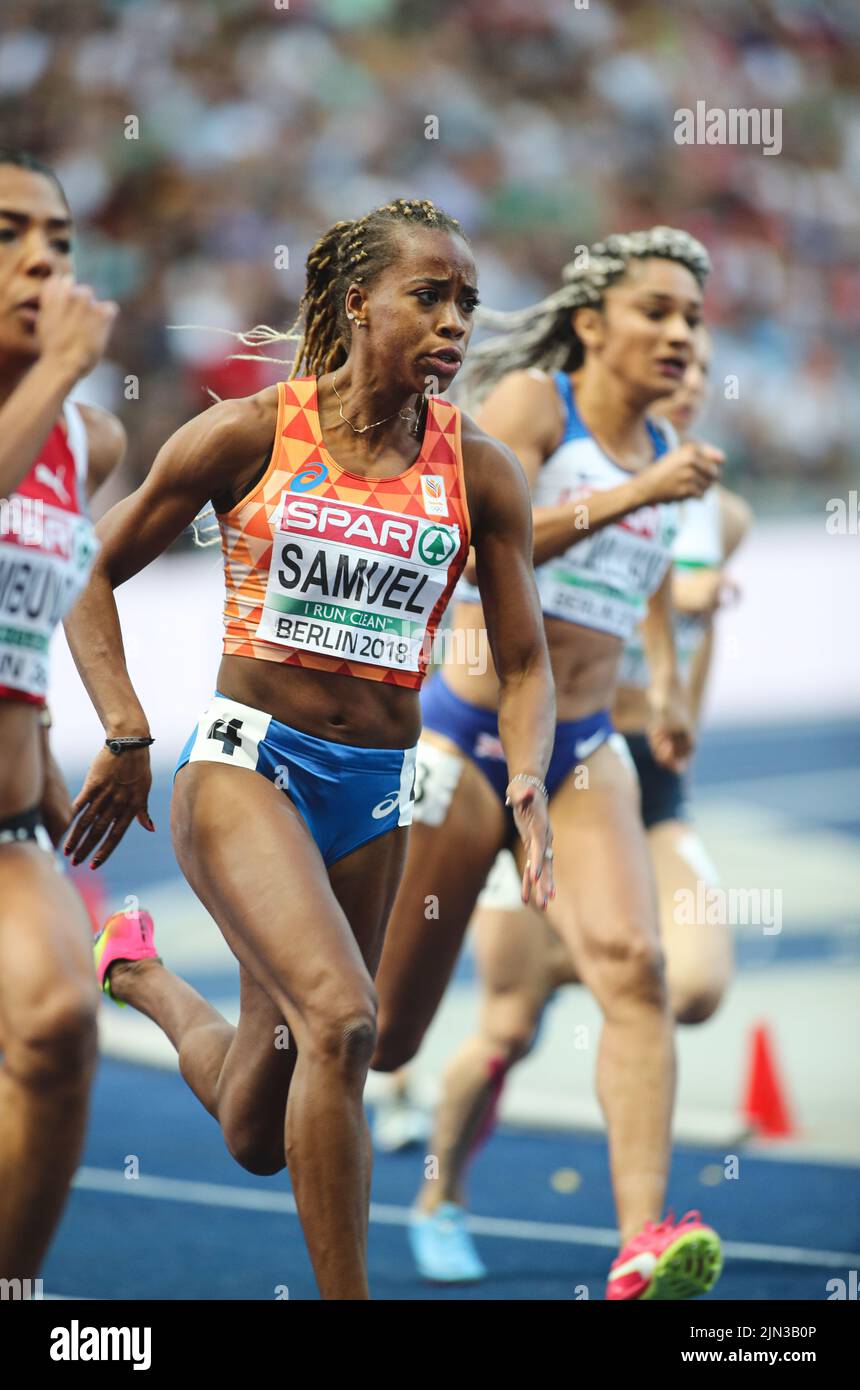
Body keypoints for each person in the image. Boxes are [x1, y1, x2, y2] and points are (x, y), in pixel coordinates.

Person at [62, 197, 555, 1301]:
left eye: (466, 302)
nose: (454, 323)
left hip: (372, 788)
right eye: (428, 295)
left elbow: (522, 661)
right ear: (353, 305)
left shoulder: (477, 470)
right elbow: (87, 571)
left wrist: (525, 776)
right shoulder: (246, 434)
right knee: (342, 1021)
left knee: (256, 1118)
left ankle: (135, 973)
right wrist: (127, 727)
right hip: (247, 767)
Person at [371, 228, 726, 1300]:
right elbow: (489, 544)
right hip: (470, 742)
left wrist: (660, 681)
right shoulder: (534, 403)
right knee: (384, 1036)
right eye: (655, 311)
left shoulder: (662, 439)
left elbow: (655, 573)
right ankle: (154, 976)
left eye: (692, 320)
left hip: (581, 749)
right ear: (589, 323)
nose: (678, 335)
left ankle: (639, 1245)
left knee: (638, 967)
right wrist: (639, 491)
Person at [0, 151, 120, 1285]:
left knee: (58, 1022)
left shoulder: (88, 443)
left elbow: (31, 615)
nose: (43, 258)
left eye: (62, 239)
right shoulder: (58, 409)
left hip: (5, 830)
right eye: (7, 233)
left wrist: (87, 741)